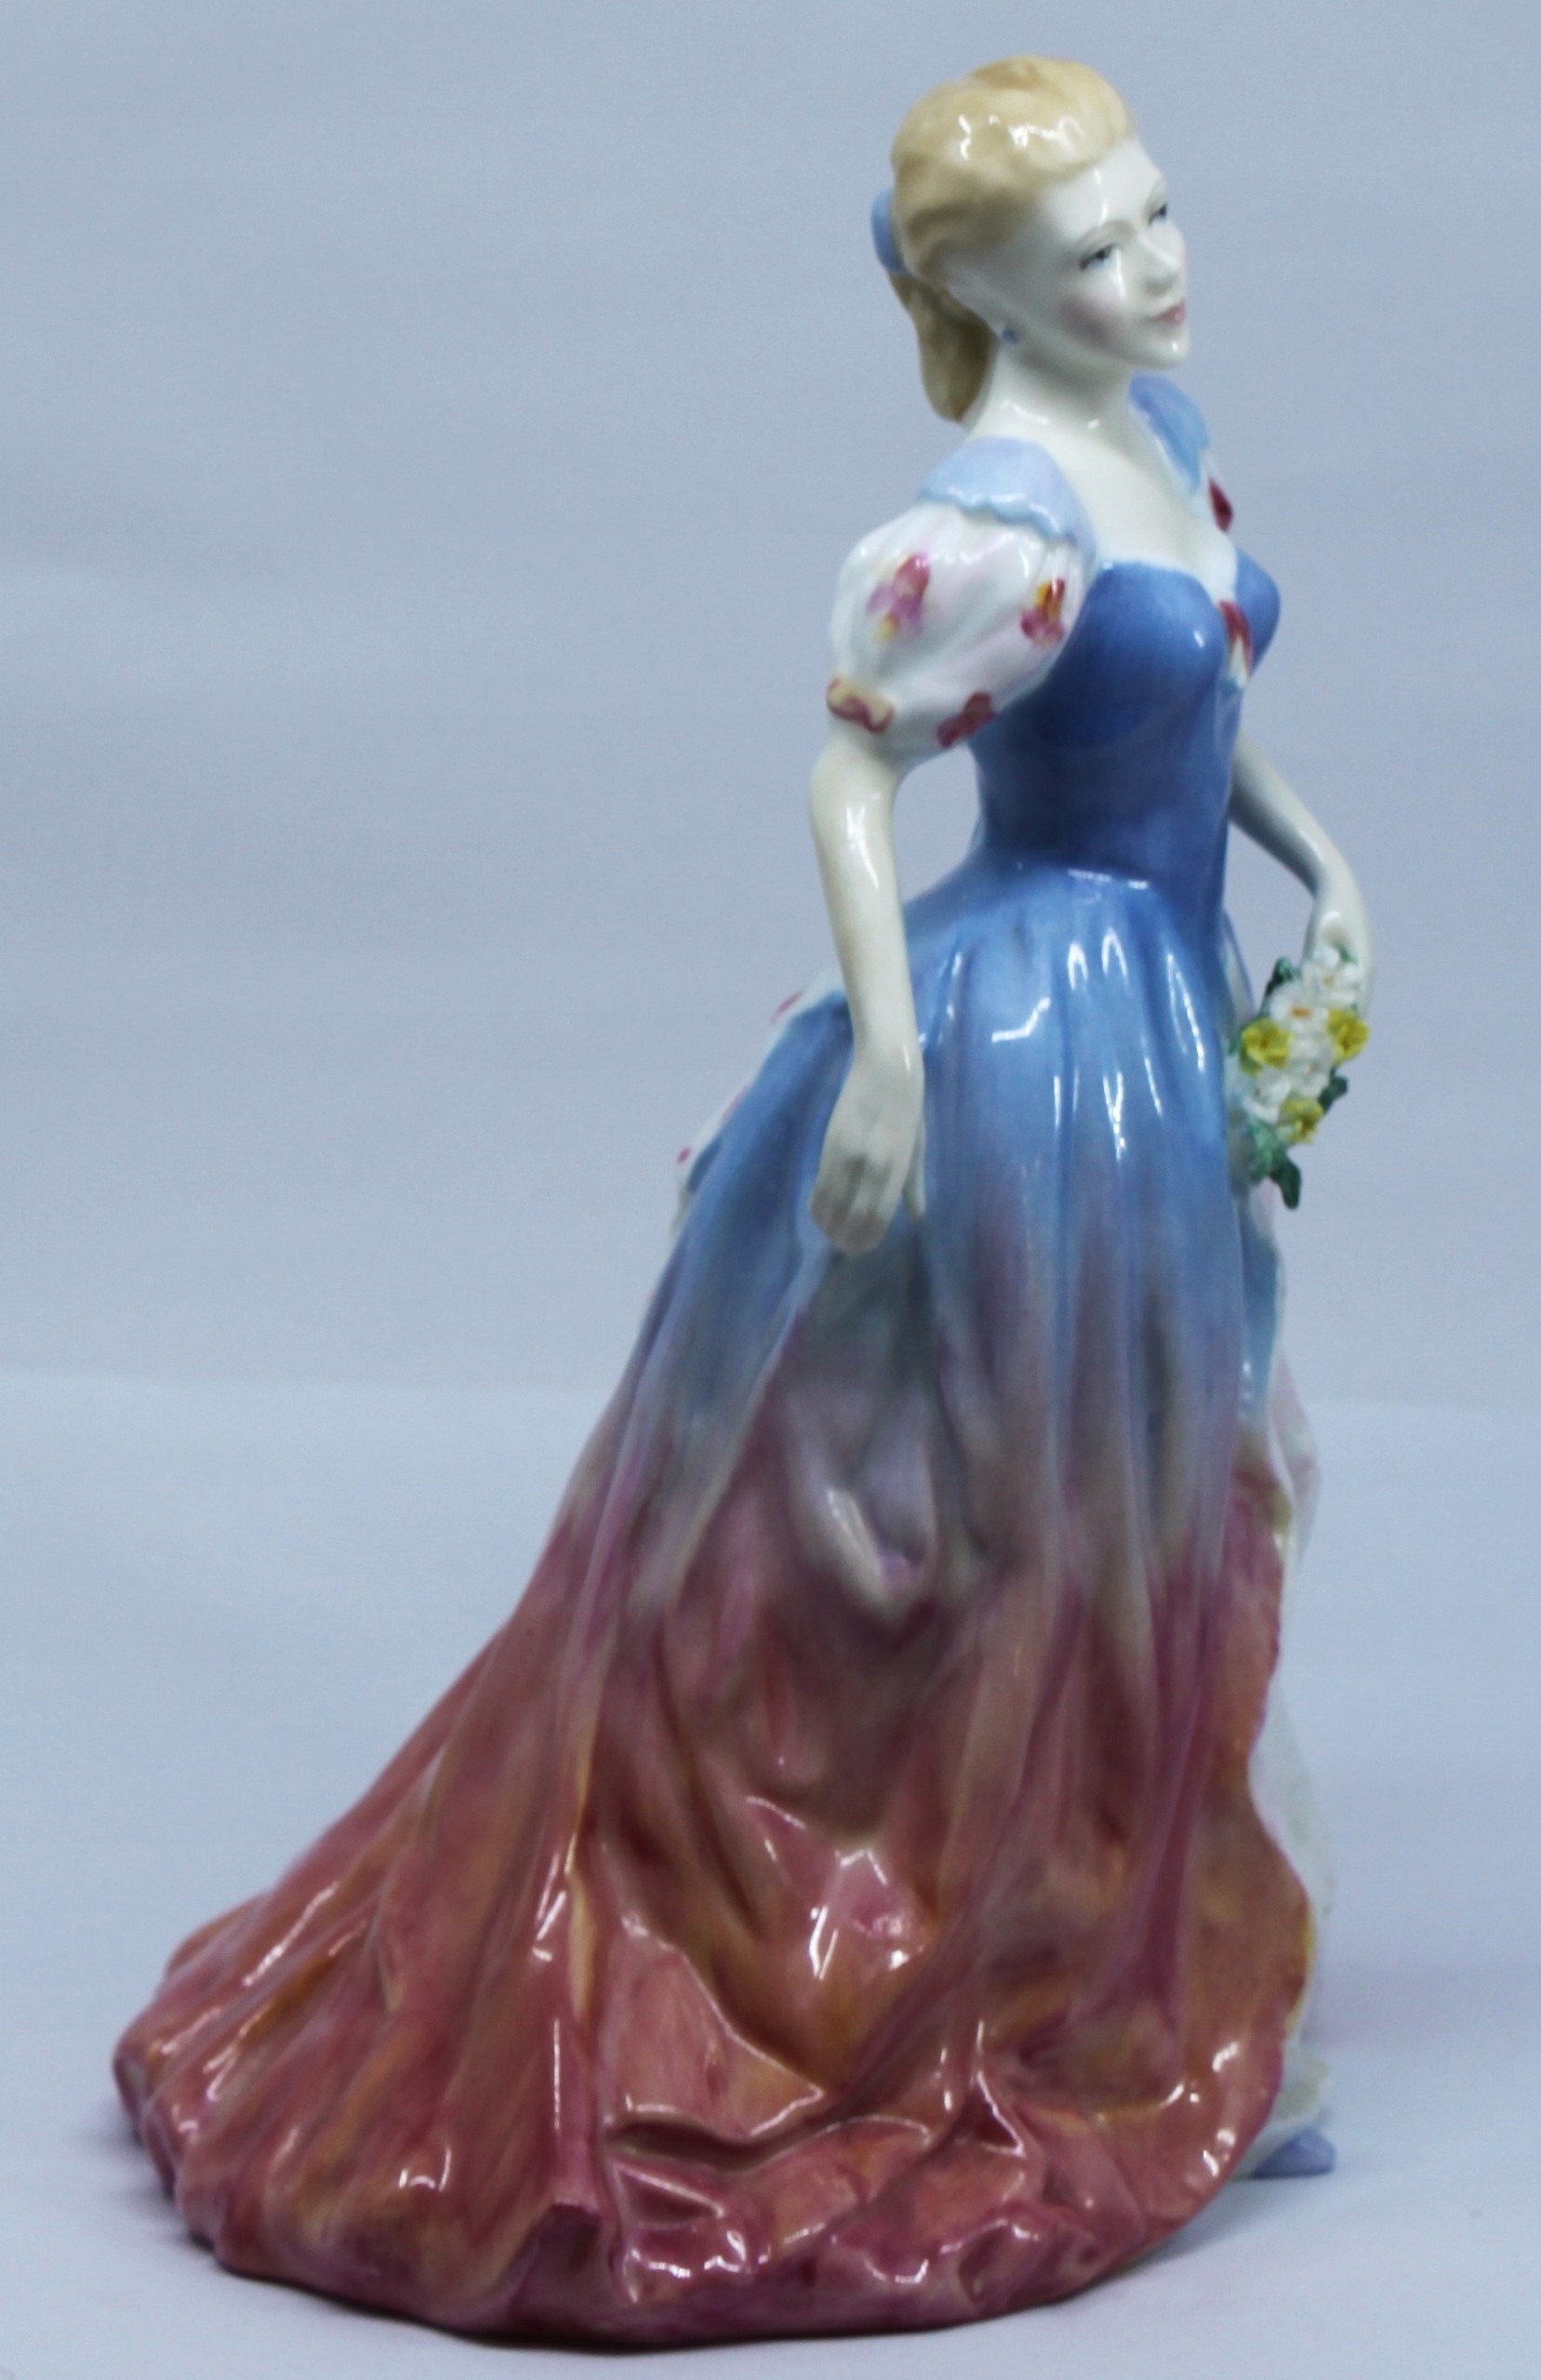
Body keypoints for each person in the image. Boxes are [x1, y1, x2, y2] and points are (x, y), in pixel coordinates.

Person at [114, 55, 1373, 2343]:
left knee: (1174, 1481)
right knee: (1020, 1506)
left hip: (1158, 1022)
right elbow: (852, 781)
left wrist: (1325, 864)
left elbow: (1206, 709)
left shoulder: (1165, 442)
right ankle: (1025, 1952)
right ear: (986, 297)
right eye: (1094, 251)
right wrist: (884, 1049)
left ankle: (1163, 1944)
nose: (1155, 265)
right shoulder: (991, 517)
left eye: (1154, 214)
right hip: (1026, 1043)